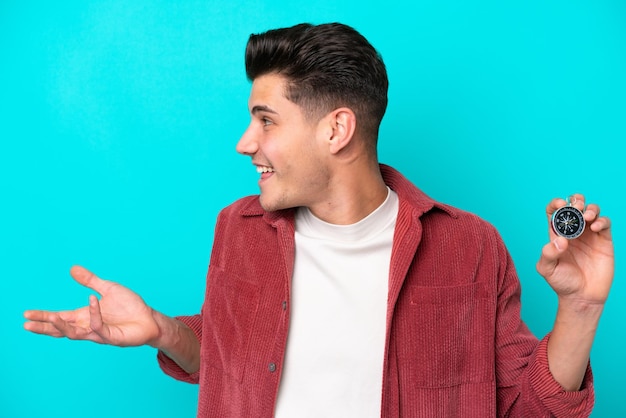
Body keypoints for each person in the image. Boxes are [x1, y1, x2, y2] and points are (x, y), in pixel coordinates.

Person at [23, 23, 614, 417]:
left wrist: (581, 308)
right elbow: (239, 361)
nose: (244, 142)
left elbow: (529, 406)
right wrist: (163, 330)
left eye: (266, 120)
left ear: (336, 130)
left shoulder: (468, 247)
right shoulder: (240, 229)